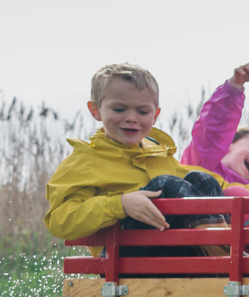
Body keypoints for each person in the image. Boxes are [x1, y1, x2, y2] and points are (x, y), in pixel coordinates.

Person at [44, 63, 233, 257]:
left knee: (202, 179)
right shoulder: (84, 161)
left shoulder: (157, 155)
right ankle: (226, 254)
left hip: (174, 248)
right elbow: (60, 220)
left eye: (142, 112)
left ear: (155, 115)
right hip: (121, 257)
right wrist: (120, 204)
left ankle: (222, 251)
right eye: (119, 109)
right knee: (163, 185)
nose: (131, 118)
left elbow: (215, 185)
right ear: (95, 110)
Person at [179, 61, 249, 193]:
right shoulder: (202, 162)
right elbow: (214, 130)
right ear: (230, 144)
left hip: (248, 210)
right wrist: (234, 87)